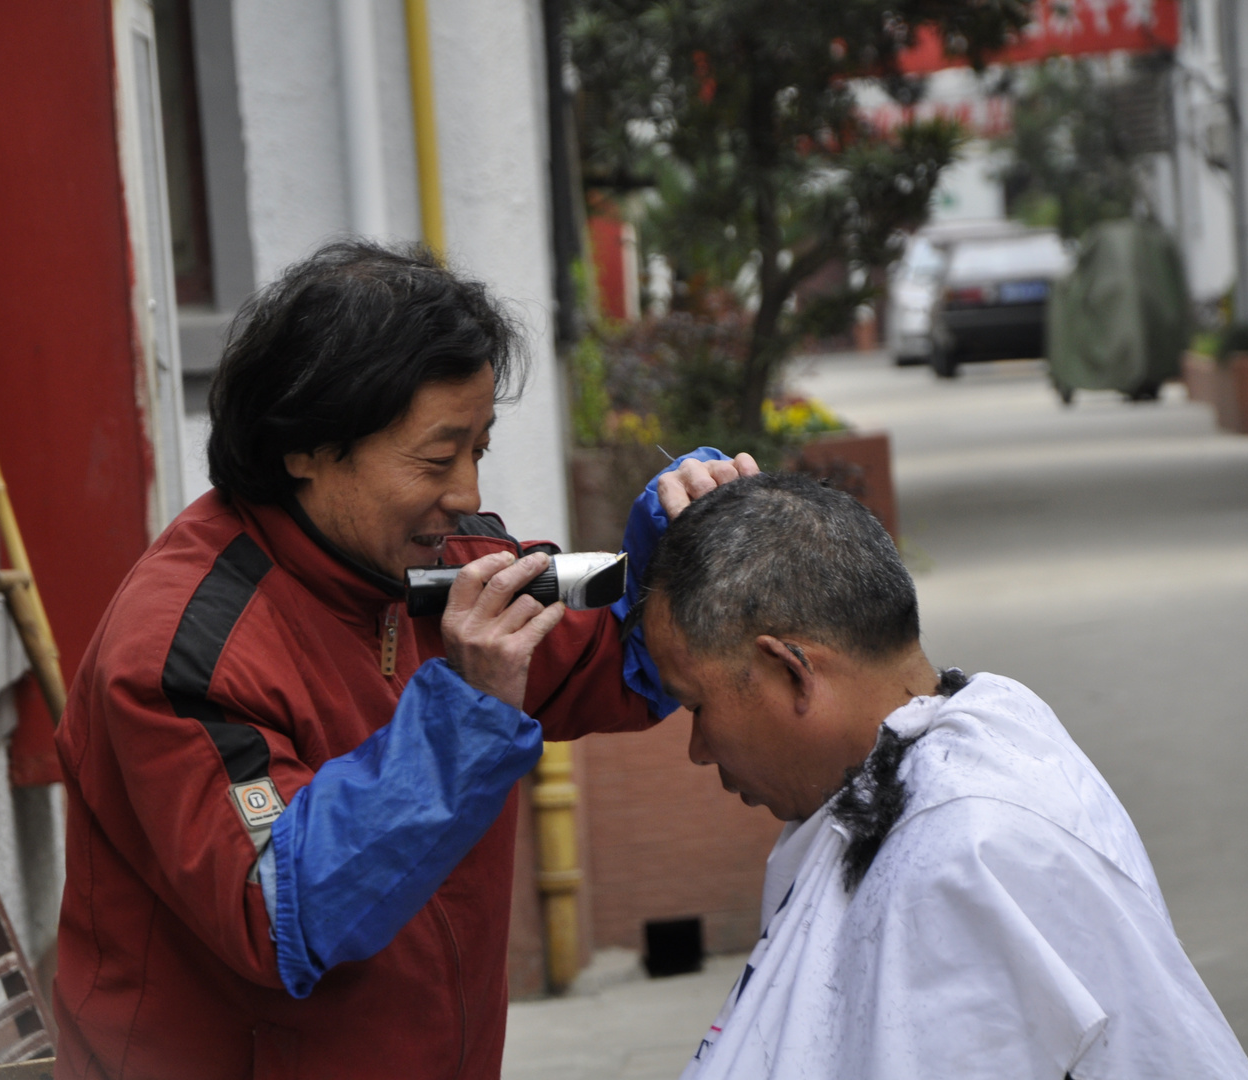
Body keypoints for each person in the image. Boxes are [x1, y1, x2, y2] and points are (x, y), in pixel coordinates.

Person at [50, 240, 756, 1079]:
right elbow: (282, 909)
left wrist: (675, 567)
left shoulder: (437, 562)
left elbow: (617, 667)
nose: (466, 493)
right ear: (304, 446)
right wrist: (464, 719)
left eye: (479, 451)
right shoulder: (182, 652)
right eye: (436, 456)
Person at [642, 473, 1248, 1080]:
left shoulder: (967, 855)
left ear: (793, 672)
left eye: (696, 706)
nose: (697, 749)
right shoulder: (992, 745)